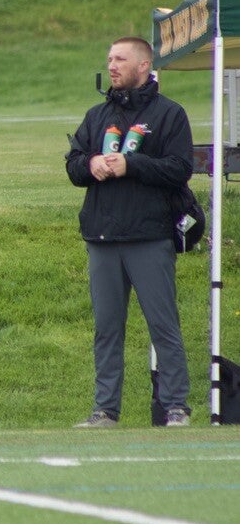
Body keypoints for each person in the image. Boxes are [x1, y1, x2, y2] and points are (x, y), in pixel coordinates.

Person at [65, 36, 193, 428]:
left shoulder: (169, 114)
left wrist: (131, 165)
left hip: (149, 236)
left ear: (143, 65)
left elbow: (180, 169)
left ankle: (175, 406)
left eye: (120, 59)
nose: (112, 66)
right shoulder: (97, 115)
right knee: (106, 330)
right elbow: (73, 165)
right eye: (109, 59)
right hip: (102, 236)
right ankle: (105, 409)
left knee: (163, 326)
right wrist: (91, 164)